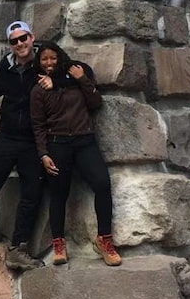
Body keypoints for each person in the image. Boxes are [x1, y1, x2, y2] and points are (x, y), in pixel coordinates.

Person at [0, 21, 56, 271]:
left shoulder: (46, 61)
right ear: (10, 44)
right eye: (14, 40)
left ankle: (18, 248)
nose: (20, 44)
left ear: (32, 37)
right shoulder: (6, 66)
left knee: (32, 194)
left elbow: (72, 72)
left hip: (33, 140)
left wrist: (55, 81)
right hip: (6, 136)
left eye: (23, 38)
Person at [29, 41, 121, 267]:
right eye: (44, 59)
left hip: (85, 142)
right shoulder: (38, 90)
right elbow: (38, 125)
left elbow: (95, 102)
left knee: (102, 184)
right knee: (59, 194)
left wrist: (82, 80)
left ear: (59, 57)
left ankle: (105, 240)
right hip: (57, 144)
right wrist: (43, 154)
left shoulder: (75, 78)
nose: (49, 62)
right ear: (39, 62)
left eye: (53, 58)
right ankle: (59, 243)